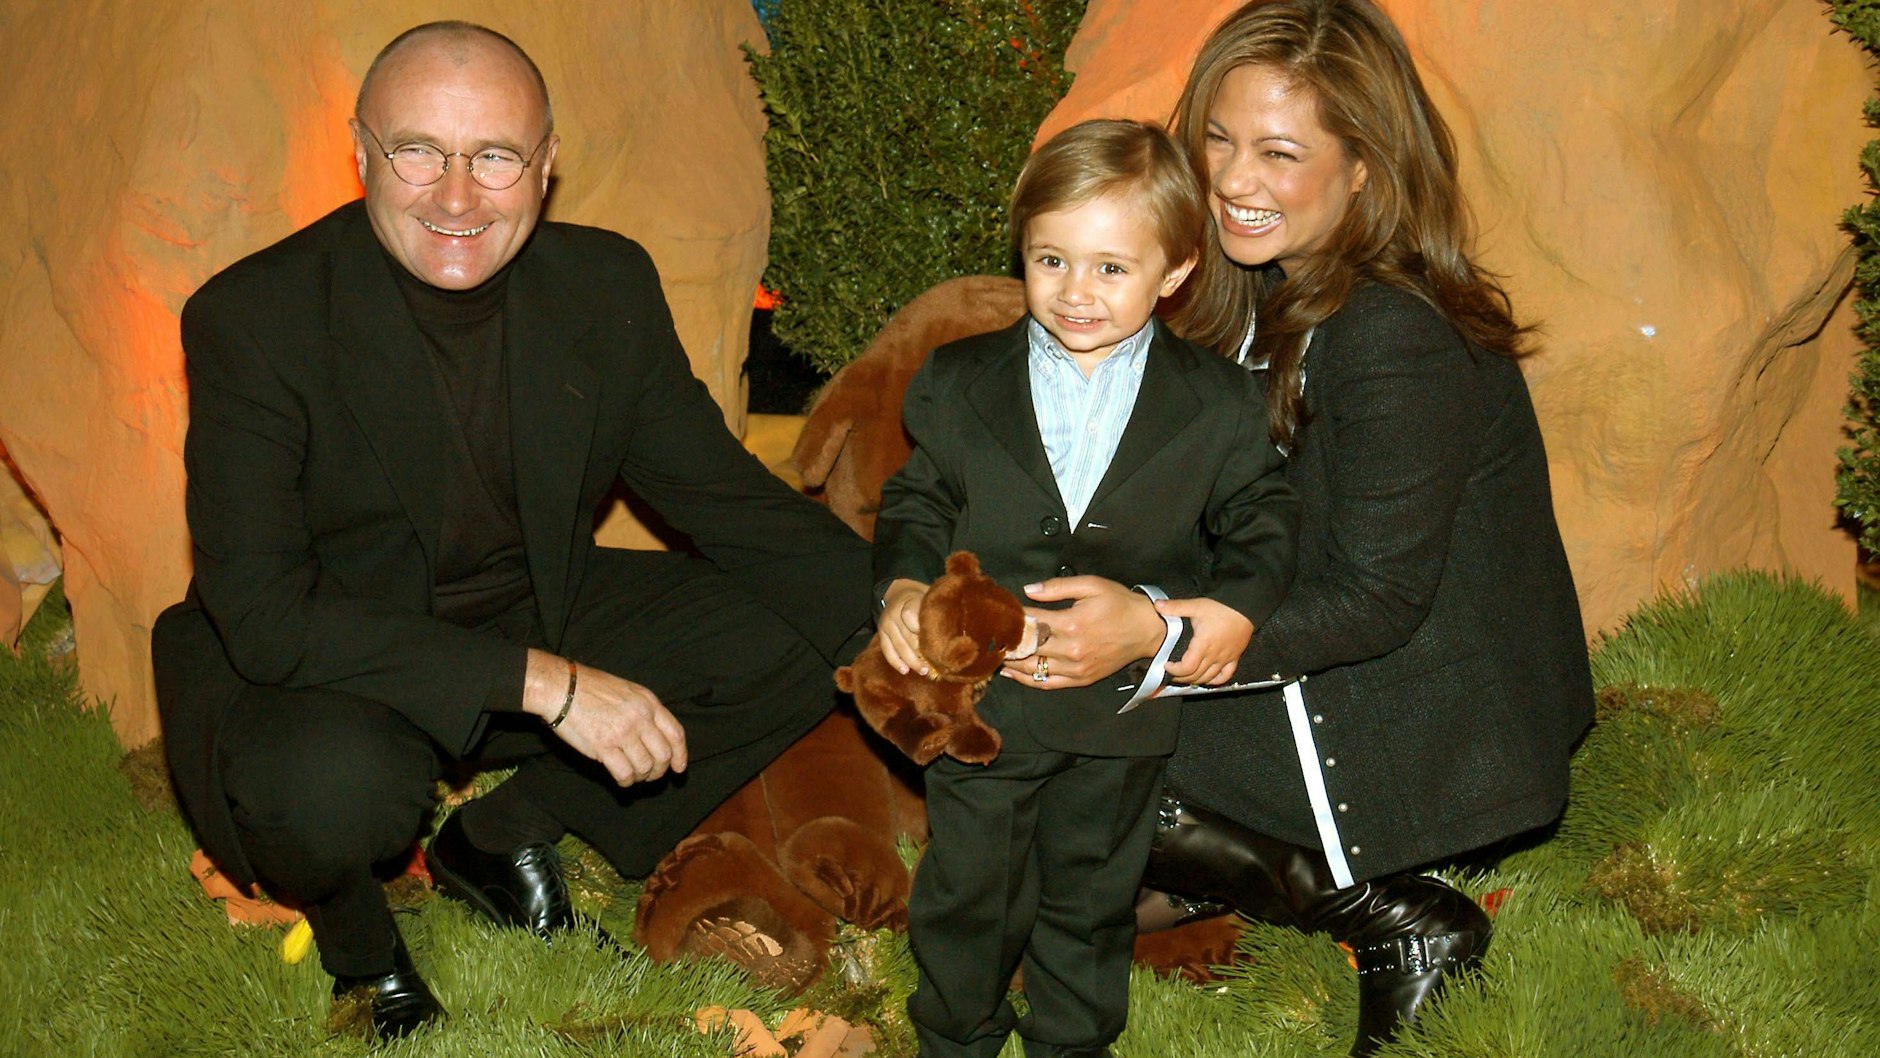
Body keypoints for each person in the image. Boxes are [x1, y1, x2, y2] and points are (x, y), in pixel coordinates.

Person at [151, 21, 872, 1040]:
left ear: (545, 166)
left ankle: (509, 830)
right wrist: (549, 684)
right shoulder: (254, 318)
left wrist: (898, 604)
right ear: (360, 153)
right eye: (419, 152)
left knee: (807, 629)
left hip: (533, 599)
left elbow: (721, 496)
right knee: (332, 791)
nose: (456, 197)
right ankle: (365, 953)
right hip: (335, 651)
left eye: (493, 156)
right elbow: (265, 615)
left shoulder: (603, 284)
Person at [1003, 3, 1596, 1055]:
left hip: (1418, 720)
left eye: (1279, 151)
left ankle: (1388, 916)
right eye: (1219, 139)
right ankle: (1187, 878)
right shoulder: (1258, 297)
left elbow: (1374, 599)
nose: (1234, 178)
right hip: (1345, 662)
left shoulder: (1388, 330)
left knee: (1061, 716)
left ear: (1364, 165)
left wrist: (1154, 637)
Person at [873, 118, 1297, 1058]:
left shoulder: (1220, 404)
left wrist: (1226, 610)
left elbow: (1266, 517)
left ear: (1176, 271)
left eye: (1113, 268)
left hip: (1119, 720)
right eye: (1051, 260)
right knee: (966, 896)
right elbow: (919, 496)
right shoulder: (958, 379)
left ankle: (1072, 1045)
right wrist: (903, 589)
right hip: (984, 709)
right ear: (1021, 253)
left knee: (1092, 901)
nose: (1077, 292)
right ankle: (955, 1036)